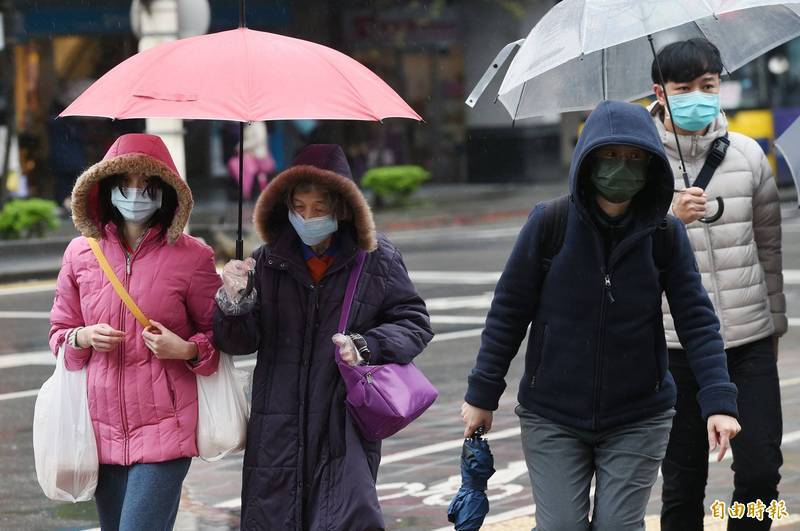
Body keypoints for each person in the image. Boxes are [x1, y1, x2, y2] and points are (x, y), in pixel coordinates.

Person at [460, 100, 741, 530]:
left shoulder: (666, 234)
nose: (621, 167)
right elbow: (508, 312)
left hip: (639, 416)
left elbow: (698, 321)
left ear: (651, 167)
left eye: (633, 158)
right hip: (551, 414)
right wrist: (482, 395)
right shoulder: (549, 222)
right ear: (587, 162)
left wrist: (719, 402)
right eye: (609, 156)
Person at [213, 144, 433, 531]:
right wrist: (234, 301)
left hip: (342, 426)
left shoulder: (376, 257)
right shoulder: (267, 261)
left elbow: (414, 323)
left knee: (346, 521)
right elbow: (239, 343)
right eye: (298, 207)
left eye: (319, 208)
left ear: (343, 207)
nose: (307, 217)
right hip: (276, 429)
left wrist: (364, 346)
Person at [49, 133, 221, 530]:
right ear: (106, 188)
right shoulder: (81, 253)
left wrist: (187, 350)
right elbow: (60, 333)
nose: (135, 194)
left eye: (147, 186)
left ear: (167, 193)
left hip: (167, 430)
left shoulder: (193, 257)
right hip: (99, 430)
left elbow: (221, 338)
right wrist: (82, 337)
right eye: (125, 184)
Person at [651, 39, 786, 530]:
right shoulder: (638, 163)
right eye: (683, 88)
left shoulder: (749, 156)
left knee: (761, 472)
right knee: (683, 480)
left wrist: (773, 328)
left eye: (707, 86)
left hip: (747, 341)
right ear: (659, 92)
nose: (697, 96)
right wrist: (669, 218)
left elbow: (767, 251)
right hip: (673, 346)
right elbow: (613, 254)